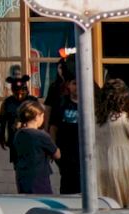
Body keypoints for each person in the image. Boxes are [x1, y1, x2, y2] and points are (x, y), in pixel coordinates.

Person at [93, 79, 129, 208]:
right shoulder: (126, 118)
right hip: (123, 162)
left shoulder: (95, 118)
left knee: (106, 197)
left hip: (101, 162)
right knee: (126, 198)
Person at [49, 56, 84, 195]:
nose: (77, 87)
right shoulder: (62, 103)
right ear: (69, 85)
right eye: (74, 83)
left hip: (83, 149)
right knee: (68, 182)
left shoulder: (89, 104)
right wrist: (53, 146)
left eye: (79, 83)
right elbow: (53, 127)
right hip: (66, 150)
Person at [10, 101, 57, 195]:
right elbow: (57, 154)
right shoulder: (41, 135)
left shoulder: (18, 134)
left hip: (22, 176)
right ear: (37, 116)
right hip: (39, 177)